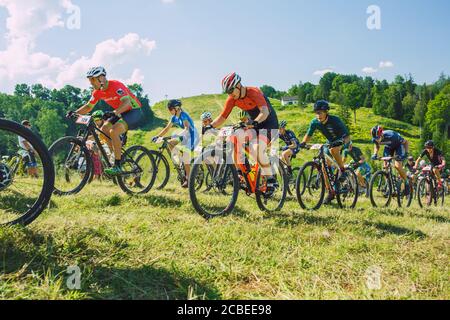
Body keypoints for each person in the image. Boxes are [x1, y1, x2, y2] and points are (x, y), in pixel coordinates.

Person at [209, 72, 280, 193]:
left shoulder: (253, 92)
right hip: (254, 124)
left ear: (238, 85)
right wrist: (209, 126)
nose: (230, 94)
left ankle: (271, 179)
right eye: (227, 92)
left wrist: (255, 123)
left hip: (269, 124)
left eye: (231, 90)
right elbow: (222, 117)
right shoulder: (232, 98)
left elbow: (264, 112)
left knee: (256, 148)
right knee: (234, 138)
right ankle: (240, 172)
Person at [69, 66, 144, 176]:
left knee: (113, 131)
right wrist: (75, 113)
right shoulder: (97, 92)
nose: (91, 83)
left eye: (93, 80)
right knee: (103, 130)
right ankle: (115, 155)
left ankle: (117, 165)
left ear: (101, 78)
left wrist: (114, 112)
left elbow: (127, 103)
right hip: (119, 112)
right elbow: (88, 107)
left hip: (133, 111)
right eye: (90, 80)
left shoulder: (116, 86)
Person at [299, 100, 351, 204]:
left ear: (326, 112)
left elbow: (347, 136)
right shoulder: (314, 122)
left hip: (343, 139)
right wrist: (303, 143)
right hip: (330, 142)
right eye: (316, 112)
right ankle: (330, 191)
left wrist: (341, 142)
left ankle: (343, 171)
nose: (318, 115)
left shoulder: (335, 120)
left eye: (320, 112)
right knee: (324, 166)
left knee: (333, 149)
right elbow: (309, 135)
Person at [152, 99, 199, 188]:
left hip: (193, 136)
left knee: (185, 154)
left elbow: (186, 129)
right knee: (169, 143)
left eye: (170, 109)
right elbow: (166, 129)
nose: (169, 111)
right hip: (185, 136)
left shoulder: (183, 115)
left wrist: (177, 136)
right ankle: (178, 161)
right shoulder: (174, 117)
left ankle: (189, 180)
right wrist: (157, 136)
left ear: (176, 108)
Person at [371, 125, 410, 191]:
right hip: (389, 147)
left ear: (381, 134)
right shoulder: (375, 139)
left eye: (378, 138)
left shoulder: (392, 135)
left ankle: (406, 182)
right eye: (375, 138)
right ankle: (389, 186)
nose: (377, 140)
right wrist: (375, 154)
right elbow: (377, 146)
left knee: (397, 166)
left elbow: (405, 142)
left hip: (398, 146)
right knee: (385, 165)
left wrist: (406, 153)